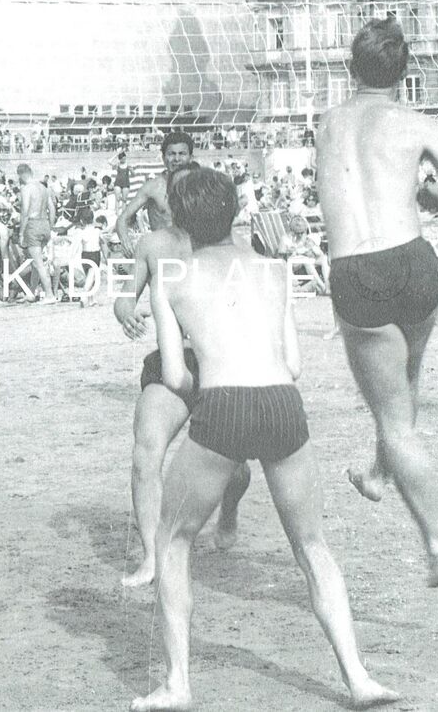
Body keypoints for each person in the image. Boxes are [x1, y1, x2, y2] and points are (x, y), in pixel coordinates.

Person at [134, 168, 396, 712]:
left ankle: (178, 684)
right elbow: (294, 365)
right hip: (282, 403)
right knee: (312, 545)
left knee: (172, 539)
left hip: (223, 404)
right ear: (233, 212)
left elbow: (176, 376)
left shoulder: (171, 276)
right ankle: (358, 677)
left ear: (179, 221)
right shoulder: (275, 271)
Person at [316, 18, 438, 587]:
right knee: (404, 385)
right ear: (405, 71)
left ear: (351, 66)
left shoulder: (327, 123)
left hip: (357, 267)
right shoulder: (418, 122)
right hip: (414, 263)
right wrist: (434, 193)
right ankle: (376, 472)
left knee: (394, 417)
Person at [113, 161, 252, 588]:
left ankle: (228, 511)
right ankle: (152, 557)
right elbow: (124, 297)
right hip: (171, 362)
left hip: (219, 364)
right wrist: (125, 312)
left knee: (236, 470)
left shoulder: (234, 245)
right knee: (146, 453)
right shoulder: (153, 244)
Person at [116, 132, 194, 256]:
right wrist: (127, 244)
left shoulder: (201, 186)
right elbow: (122, 219)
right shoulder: (153, 187)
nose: (177, 159)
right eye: (171, 154)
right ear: (163, 158)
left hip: (192, 255)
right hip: (162, 254)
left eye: (182, 154)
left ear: (191, 157)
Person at [17, 163, 56, 303]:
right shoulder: (44, 188)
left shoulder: (26, 189)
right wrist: (50, 226)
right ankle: (32, 292)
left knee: (39, 263)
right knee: (36, 262)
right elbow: (52, 209)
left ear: (21, 175)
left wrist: (21, 233)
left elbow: (25, 211)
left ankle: (49, 295)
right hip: (44, 223)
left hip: (33, 224)